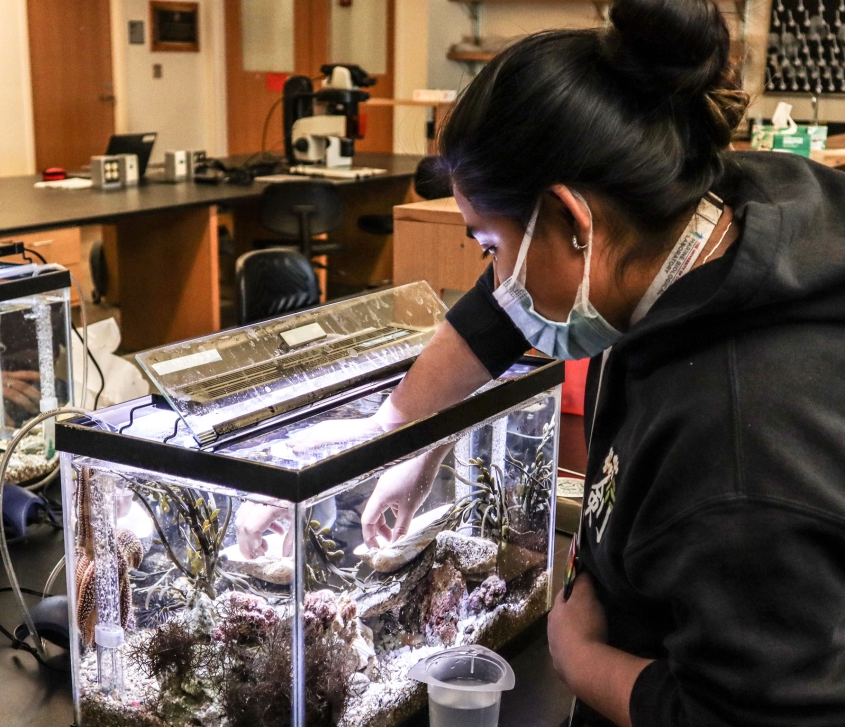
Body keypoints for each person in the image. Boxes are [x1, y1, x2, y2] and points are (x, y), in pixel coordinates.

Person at [237, 0, 845, 724]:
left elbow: (750, 717)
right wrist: (403, 434)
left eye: (489, 247)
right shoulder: (726, 208)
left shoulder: (742, 446)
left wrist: (578, 656)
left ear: (572, 220)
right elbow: (515, 298)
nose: (494, 284)